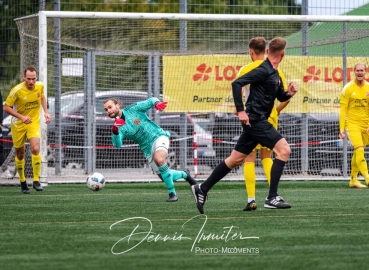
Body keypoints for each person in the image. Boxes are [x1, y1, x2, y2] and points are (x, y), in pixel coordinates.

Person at [191, 37, 298, 214]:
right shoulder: (263, 69)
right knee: (284, 150)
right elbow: (237, 83)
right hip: (255, 120)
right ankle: (272, 197)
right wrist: (241, 110)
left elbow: (280, 96)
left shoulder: (275, 73)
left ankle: (202, 189)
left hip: (256, 122)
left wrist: (289, 93)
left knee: (235, 160)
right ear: (283, 54)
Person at [103, 97, 197, 202]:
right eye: (106, 110)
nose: (108, 111)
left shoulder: (133, 109)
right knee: (164, 177)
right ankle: (185, 174)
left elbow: (151, 101)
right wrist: (115, 132)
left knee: (159, 159)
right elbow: (117, 144)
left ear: (118, 105)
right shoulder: (118, 126)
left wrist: (156, 103)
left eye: (110, 107)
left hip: (158, 136)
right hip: (147, 149)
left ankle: (172, 193)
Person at [239, 37, 291, 211]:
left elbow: (238, 88)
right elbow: (284, 96)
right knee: (268, 156)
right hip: (270, 117)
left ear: (251, 52)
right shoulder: (276, 70)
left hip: (253, 118)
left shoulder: (247, 69)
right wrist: (275, 111)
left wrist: (239, 109)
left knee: (249, 158)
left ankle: (251, 199)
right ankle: (273, 195)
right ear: (266, 51)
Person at [3, 65, 51, 194]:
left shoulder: (40, 86)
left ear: (36, 78)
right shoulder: (16, 90)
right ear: (24, 77)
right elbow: (6, 107)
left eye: (33, 79)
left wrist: (46, 112)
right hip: (18, 124)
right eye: (29, 79)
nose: (31, 82)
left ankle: (36, 180)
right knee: (20, 153)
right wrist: (21, 117)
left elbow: (42, 97)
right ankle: (23, 181)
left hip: (33, 122)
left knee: (35, 148)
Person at [339, 63, 369, 188]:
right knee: (360, 149)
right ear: (354, 72)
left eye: (362, 70)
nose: (360, 73)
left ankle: (353, 180)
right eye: (358, 70)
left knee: (358, 152)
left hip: (366, 125)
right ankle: (367, 178)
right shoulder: (348, 88)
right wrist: (341, 129)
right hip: (352, 124)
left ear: (366, 71)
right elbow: (343, 110)